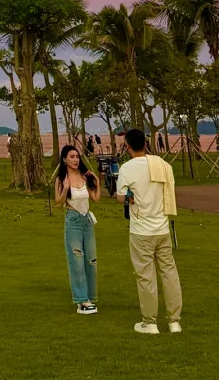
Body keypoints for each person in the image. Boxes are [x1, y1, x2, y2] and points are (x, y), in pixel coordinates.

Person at [115, 128, 183, 335]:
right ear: (145, 144)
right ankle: (174, 321)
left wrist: (129, 196)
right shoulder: (162, 165)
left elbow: (120, 196)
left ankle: (150, 322)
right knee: (169, 273)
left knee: (145, 276)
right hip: (162, 228)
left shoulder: (127, 168)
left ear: (127, 146)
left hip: (141, 231)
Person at [55, 144, 100, 315]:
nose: (75, 160)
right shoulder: (61, 179)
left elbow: (95, 198)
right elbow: (58, 203)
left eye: (77, 157)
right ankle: (81, 301)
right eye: (72, 157)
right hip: (72, 220)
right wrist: (66, 187)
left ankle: (90, 297)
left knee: (91, 260)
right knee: (77, 261)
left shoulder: (84, 176)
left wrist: (96, 181)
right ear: (65, 159)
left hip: (87, 220)